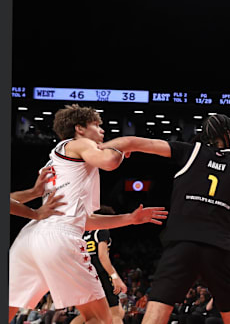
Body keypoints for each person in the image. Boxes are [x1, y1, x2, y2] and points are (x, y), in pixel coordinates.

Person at [99, 113, 230, 324]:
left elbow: (133, 141)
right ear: (229, 134)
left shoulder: (190, 151)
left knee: (156, 314)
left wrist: (101, 149)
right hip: (219, 247)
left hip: (182, 243)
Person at [8, 104, 168, 324]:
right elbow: (110, 162)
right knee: (101, 319)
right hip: (59, 239)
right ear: (79, 128)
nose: (102, 130)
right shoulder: (80, 143)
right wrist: (124, 144)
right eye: (96, 125)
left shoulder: (56, 160)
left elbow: (83, 221)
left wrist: (130, 219)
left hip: (29, 240)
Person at [70, 207, 128, 324]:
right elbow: (102, 256)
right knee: (115, 314)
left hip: (81, 276)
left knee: (92, 317)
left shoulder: (81, 233)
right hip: (98, 275)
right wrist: (115, 278)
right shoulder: (101, 230)